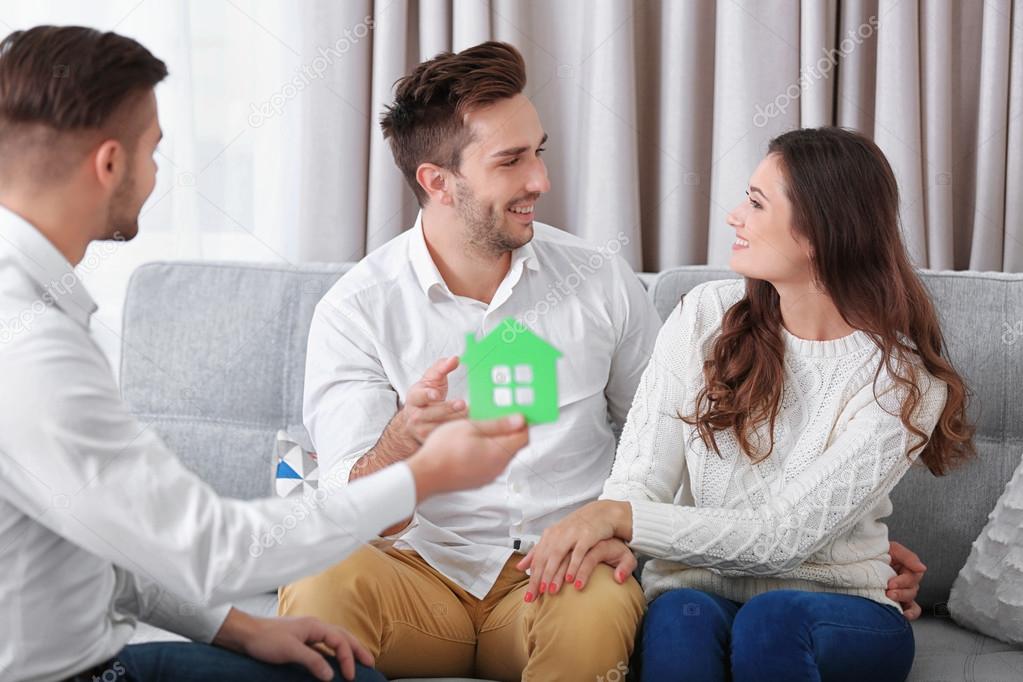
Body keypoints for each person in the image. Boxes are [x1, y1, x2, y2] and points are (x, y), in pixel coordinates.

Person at [279, 40, 927, 681]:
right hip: (414, 572)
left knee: (596, 612)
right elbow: (351, 508)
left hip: (561, 569)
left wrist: (841, 543)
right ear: (437, 183)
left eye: (539, 152)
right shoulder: (357, 308)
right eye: (511, 161)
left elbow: (679, 443)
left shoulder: (597, 280)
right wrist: (397, 446)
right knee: (315, 588)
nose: (540, 180)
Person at [0, 25, 528, 682]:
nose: (157, 172)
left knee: (338, 672)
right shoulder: (29, 349)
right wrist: (422, 476)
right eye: (153, 151)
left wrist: (244, 630)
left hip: (97, 655)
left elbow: (116, 537)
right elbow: (210, 548)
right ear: (110, 164)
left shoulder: (36, 310)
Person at [518, 126, 976, 682]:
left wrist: (621, 519)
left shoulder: (902, 382)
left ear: (820, 233)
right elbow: (638, 477)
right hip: (698, 591)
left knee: (771, 617)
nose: (734, 216)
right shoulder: (704, 314)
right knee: (679, 620)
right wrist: (620, 524)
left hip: (842, 609)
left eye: (756, 203)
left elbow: (782, 538)